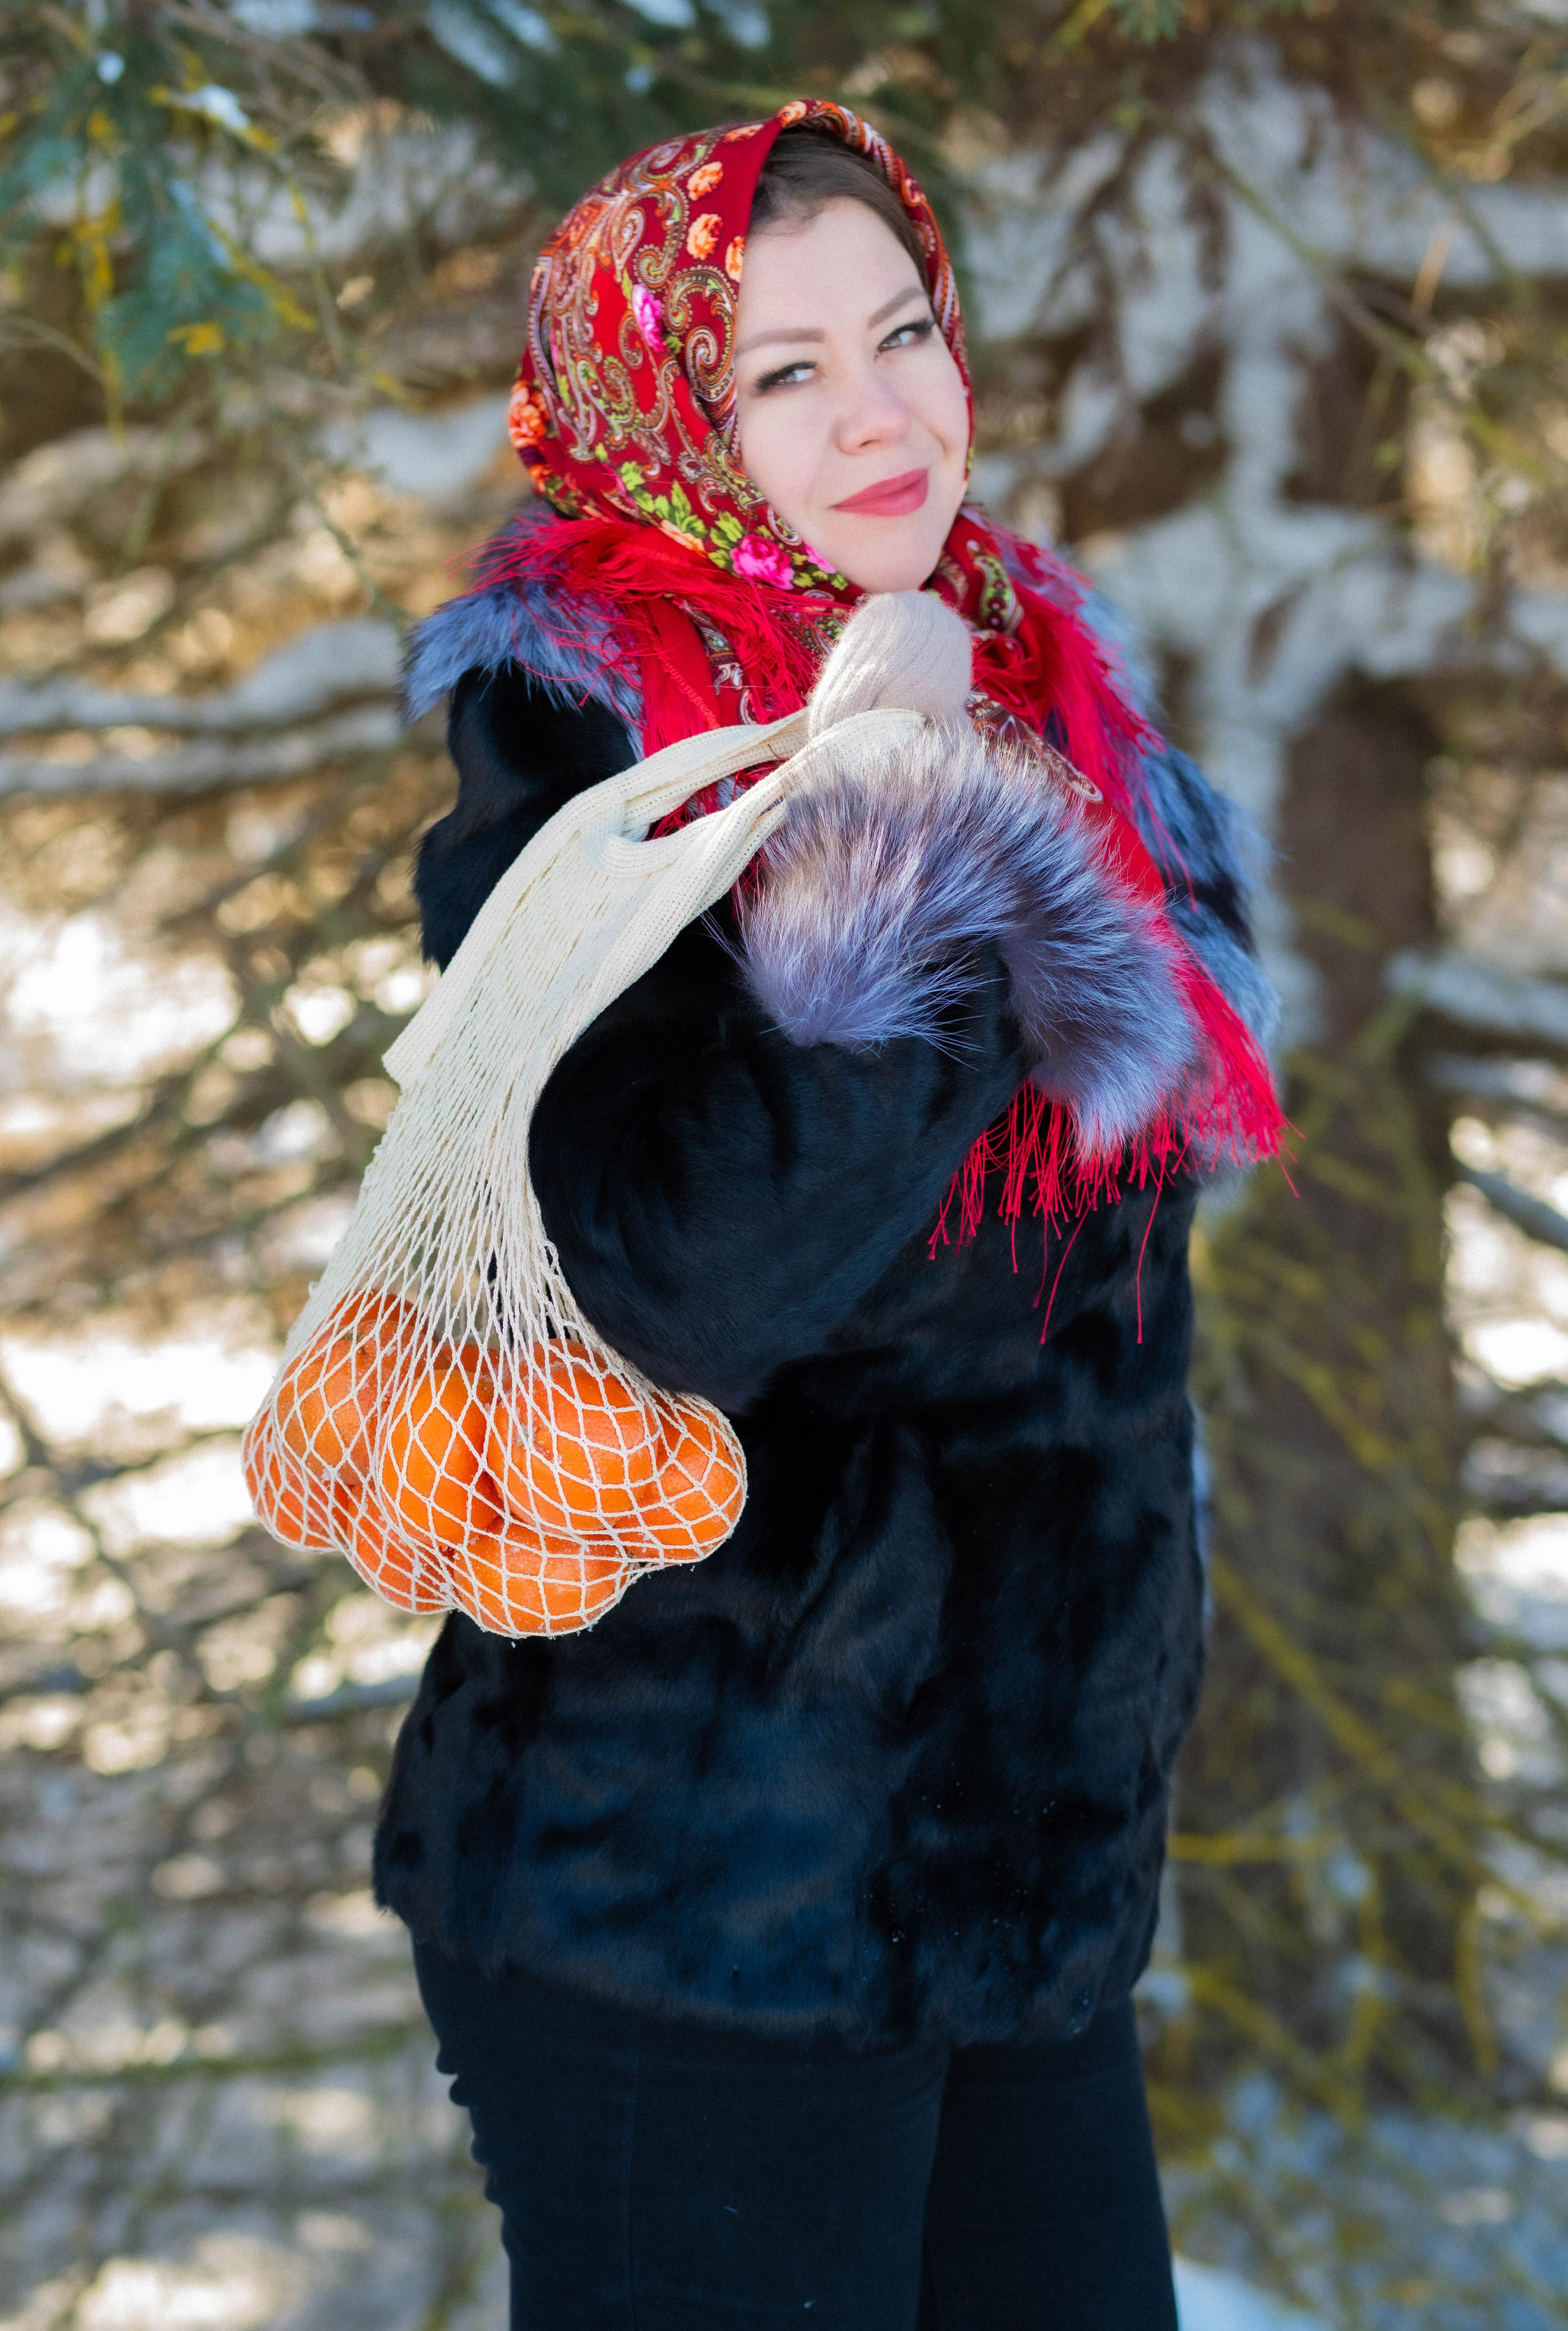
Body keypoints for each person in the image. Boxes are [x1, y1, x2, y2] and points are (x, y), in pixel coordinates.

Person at [378, 100, 1283, 2330]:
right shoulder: (599, 771)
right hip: (689, 1894)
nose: (881, 414)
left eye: (902, 333)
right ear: (669, 415)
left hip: (1010, 1881)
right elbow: (668, 1282)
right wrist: (906, 850)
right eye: (784, 371)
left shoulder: (1022, 672)